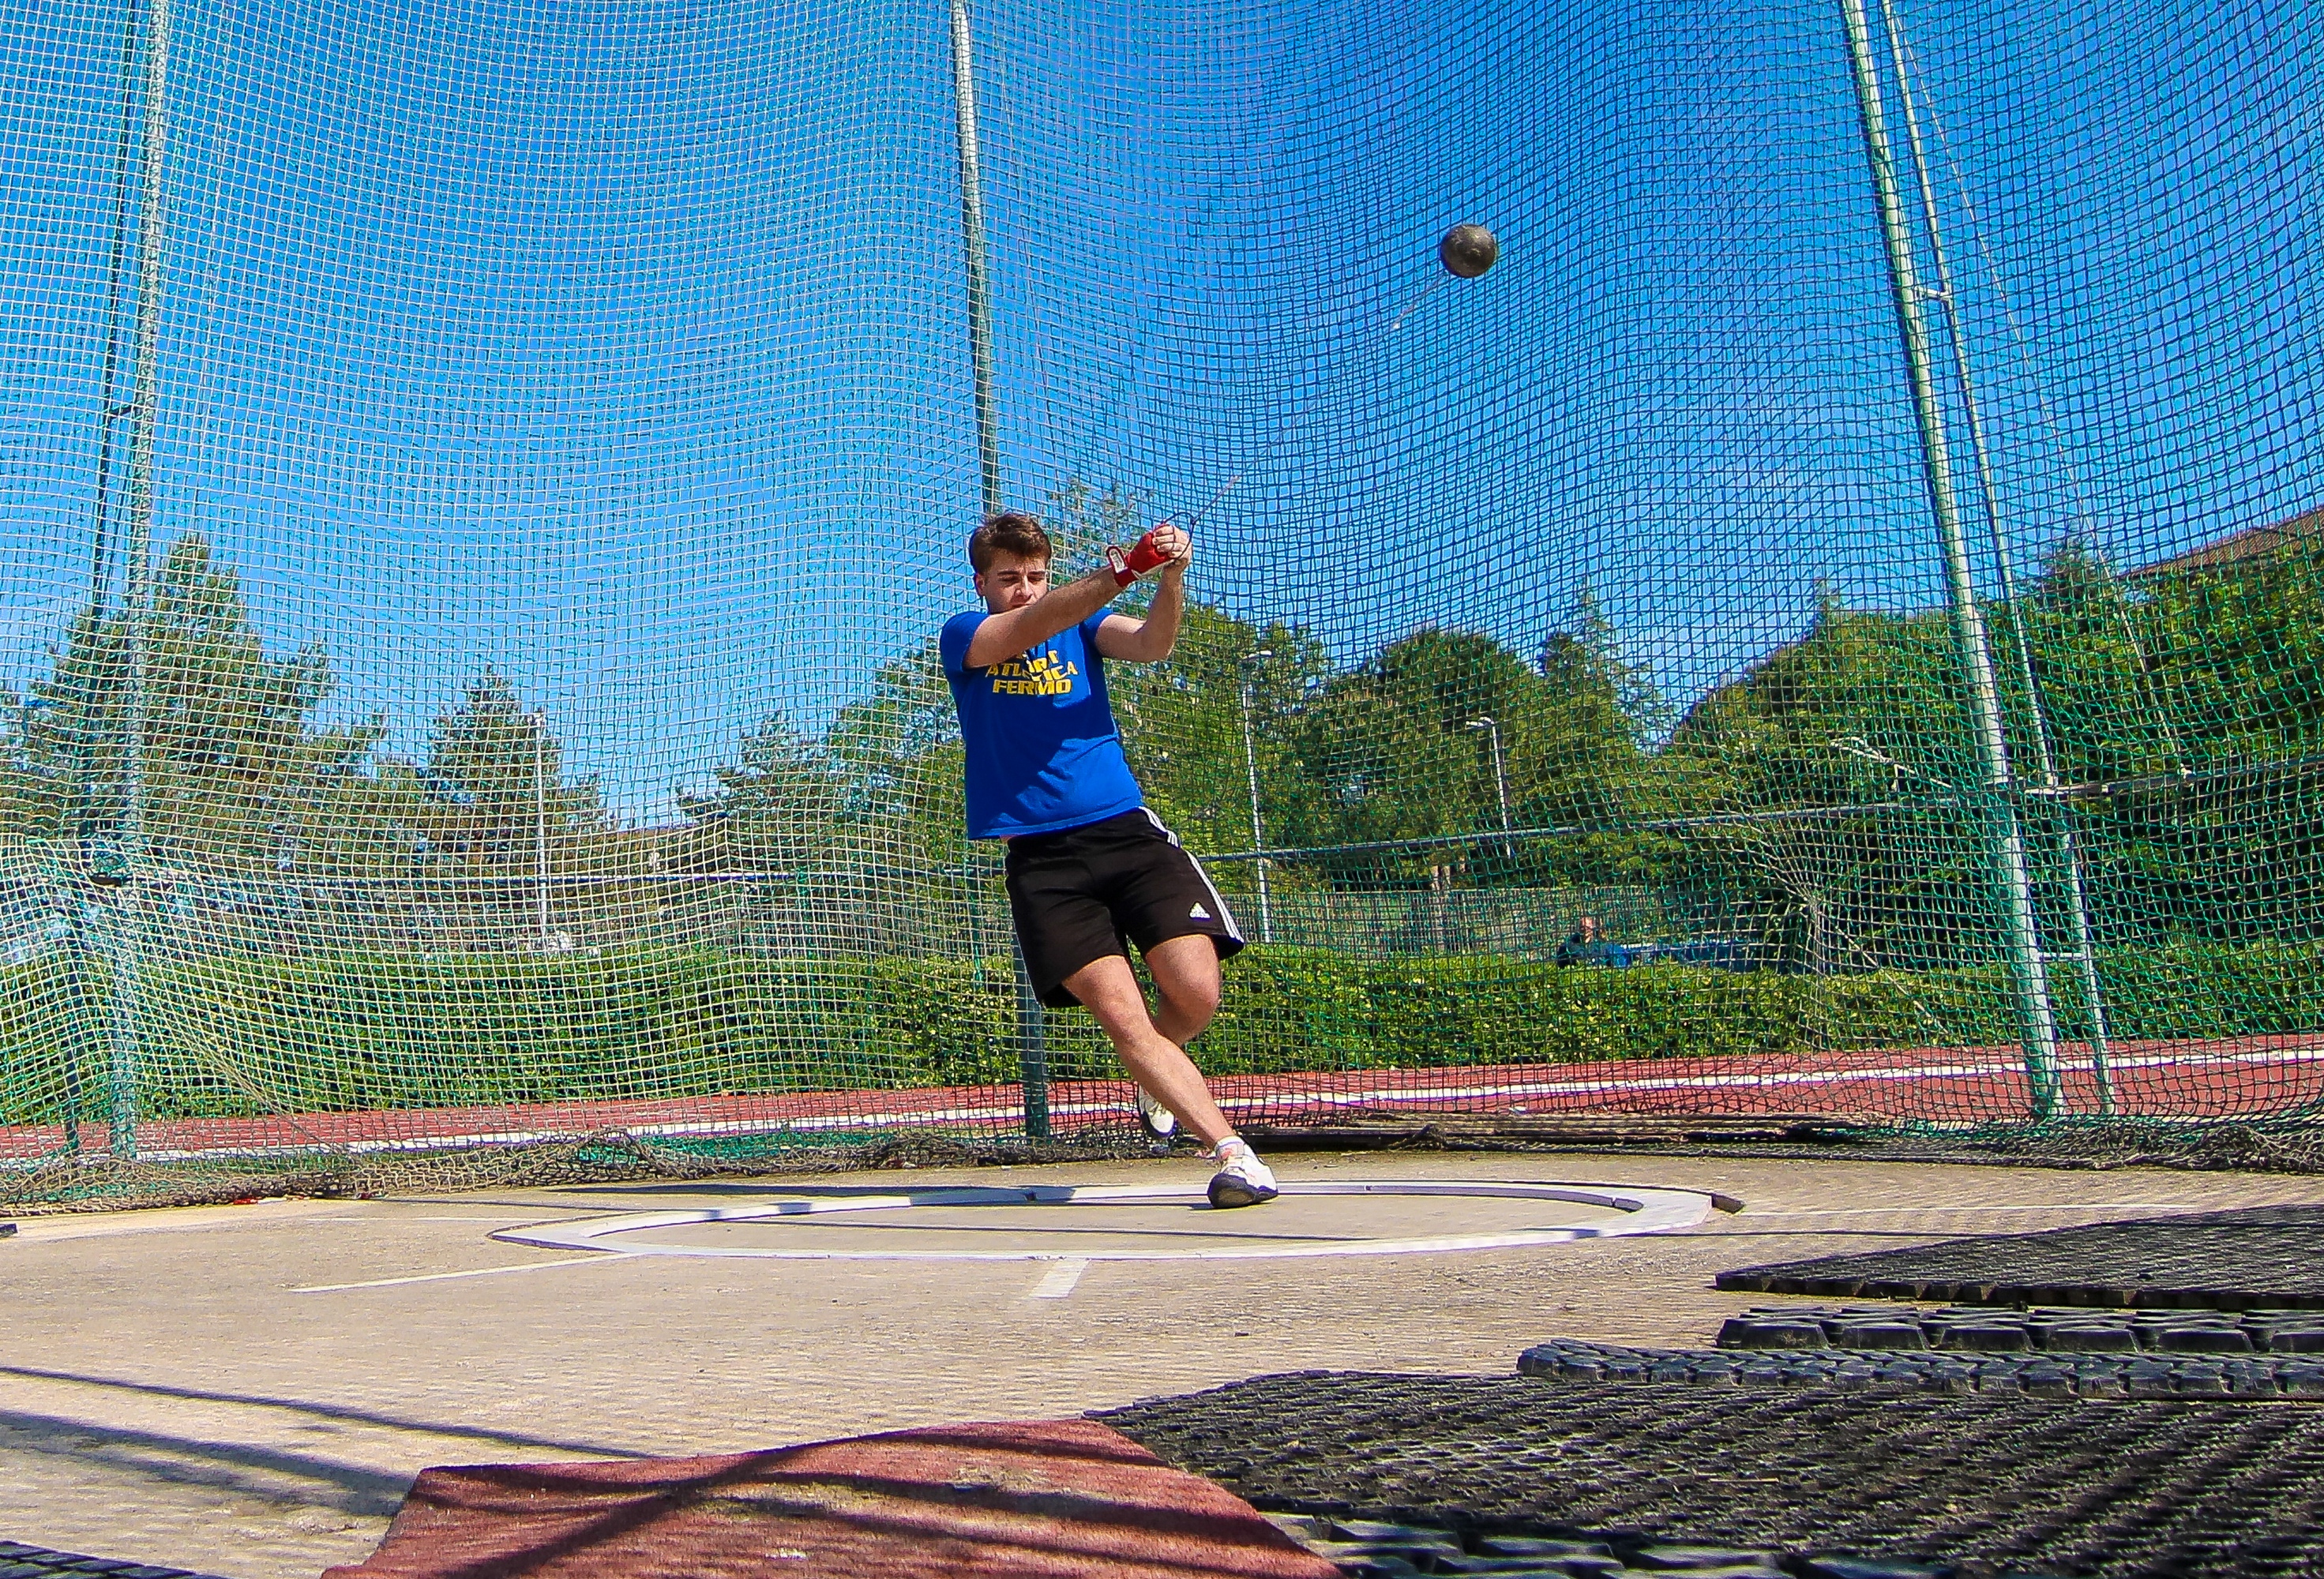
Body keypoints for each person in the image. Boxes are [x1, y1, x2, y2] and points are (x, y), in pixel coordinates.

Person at [938, 510, 1278, 1208]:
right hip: (1044, 865)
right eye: (1008, 578)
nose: (1025, 590)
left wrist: (1170, 578)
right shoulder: (965, 635)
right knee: (1124, 1020)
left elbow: (1153, 643)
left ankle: (1156, 1078)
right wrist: (1124, 570)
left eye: (1036, 576)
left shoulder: (1085, 625)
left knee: (1196, 993)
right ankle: (1233, 1153)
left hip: (1126, 836)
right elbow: (1028, 627)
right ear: (981, 584)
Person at [1555, 913, 1628, 969]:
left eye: (1588, 927)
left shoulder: (1601, 945)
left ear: (1592, 927)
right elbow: (1561, 965)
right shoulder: (1569, 946)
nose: (1585, 930)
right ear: (1579, 929)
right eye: (1582, 927)